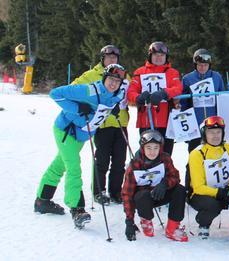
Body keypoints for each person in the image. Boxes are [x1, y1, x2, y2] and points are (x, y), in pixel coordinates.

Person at [34, 64, 126, 228]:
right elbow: (55, 94)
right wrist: (77, 107)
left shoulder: (113, 96)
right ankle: (77, 209)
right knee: (73, 167)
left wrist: (113, 109)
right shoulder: (88, 90)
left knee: (59, 165)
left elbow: (104, 107)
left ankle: (42, 200)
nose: (113, 84)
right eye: (111, 79)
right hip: (66, 131)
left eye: (117, 81)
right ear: (104, 78)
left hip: (80, 136)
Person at [71, 45, 129, 205]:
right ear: (102, 59)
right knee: (102, 160)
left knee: (119, 160)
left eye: (115, 57)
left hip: (120, 123)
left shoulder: (123, 75)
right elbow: (74, 88)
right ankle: (98, 191)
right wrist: (87, 105)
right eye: (108, 57)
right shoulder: (91, 75)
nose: (112, 59)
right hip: (101, 125)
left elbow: (129, 94)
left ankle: (116, 191)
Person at [121, 130, 188, 241]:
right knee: (142, 196)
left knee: (180, 190)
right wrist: (129, 222)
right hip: (144, 200)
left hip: (161, 194)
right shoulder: (135, 165)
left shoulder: (165, 158)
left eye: (156, 148)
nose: (152, 152)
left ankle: (172, 227)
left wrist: (164, 184)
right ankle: (146, 222)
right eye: (149, 148)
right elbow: (126, 194)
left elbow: (175, 176)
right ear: (143, 148)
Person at [187, 116, 229, 239]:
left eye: (218, 132)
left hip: (225, 188)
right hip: (200, 194)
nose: (215, 136)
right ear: (204, 134)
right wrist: (219, 193)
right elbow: (198, 187)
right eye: (211, 132)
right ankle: (203, 223)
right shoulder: (197, 154)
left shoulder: (227, 148)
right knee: (214, 204)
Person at [127, 41, 183, 155]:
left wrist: (164, 93)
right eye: (156, 55)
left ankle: (166, 173)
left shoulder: (172, 72)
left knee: (166, 154)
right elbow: (131, 92)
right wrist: (139, 97)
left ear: (166, 57)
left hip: (166, 121)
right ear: (150, 56)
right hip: (146, 120)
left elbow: (178, 88)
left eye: (162, 55)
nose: (159, 58)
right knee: (148, 155)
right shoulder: (140, 72)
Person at [181, 48, 225, 152]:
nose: (202, 67)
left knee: (214, 151)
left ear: (209, 65)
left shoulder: (216, 77)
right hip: (195, 123)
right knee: (194, 152)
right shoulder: (188, 78)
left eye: (205, 65)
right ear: (195, 65)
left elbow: (222, 98)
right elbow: (183, 102)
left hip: (213, 122)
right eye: (200, 65)